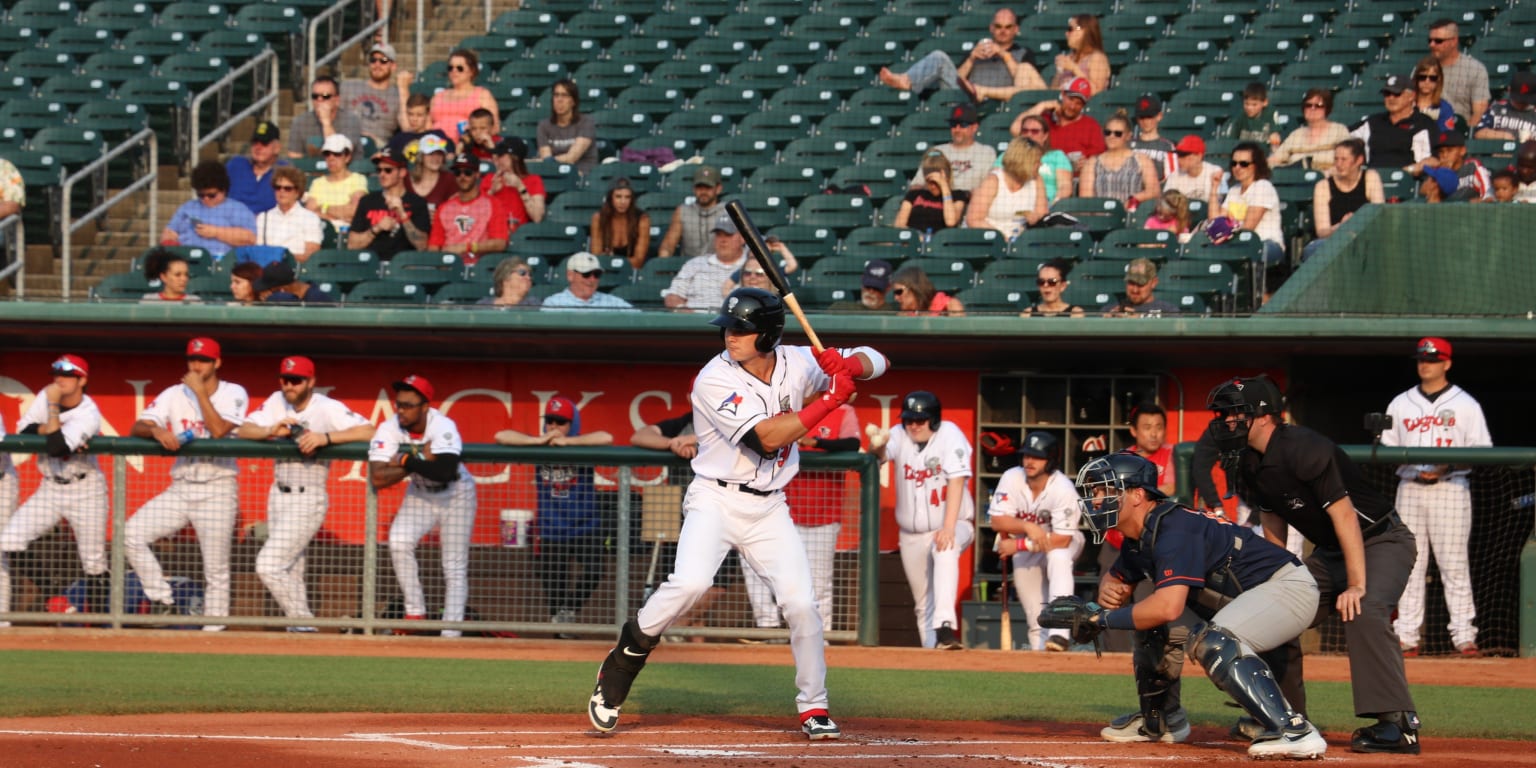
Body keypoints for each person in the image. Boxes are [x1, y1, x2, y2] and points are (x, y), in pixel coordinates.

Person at [586, 287, 889, 740]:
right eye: (728, 327)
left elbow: (879, 359)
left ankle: (814, 706)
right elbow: (766, 438)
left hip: (769, 506)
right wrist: (829, 400)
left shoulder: (799, 359)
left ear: (767, 335)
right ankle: (626, 655)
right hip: (715, 498)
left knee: (802, 605)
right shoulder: (713, 378)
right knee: (689, 583)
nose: (730, 336)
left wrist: (848, 366)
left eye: (742, 329)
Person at [1207, 374, 1422, 754]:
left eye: (1235, 413)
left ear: (1263, 416)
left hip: (1381, 539)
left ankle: (1397, 723)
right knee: (1277, 611)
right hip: (1330, 553)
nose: (1227, 421)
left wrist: (1356, 583)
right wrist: (1271, 584)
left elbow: (1346, 518)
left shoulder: (1304, 447)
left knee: (1365, 609)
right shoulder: (1247, 463)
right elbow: (1273, 526)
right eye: (1225, 414)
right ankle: (1283, 717)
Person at [1076, 452, 1327, 759]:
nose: (1096, 500)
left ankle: (1294, 731)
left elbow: (1168, 607)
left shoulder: (1174, 529)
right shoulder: (1141, 536)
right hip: (1247, 596)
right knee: (1152, 623)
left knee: (1215, 642)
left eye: (1106, 490)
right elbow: (1117, 578)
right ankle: (1162, 721)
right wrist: (1108, 587)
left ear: (1138, 495)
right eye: (1095, 492)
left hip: (1288, 587)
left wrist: (1101, 619)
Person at [235, 356, 371, 630]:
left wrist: (326, 438)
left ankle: (304, 621)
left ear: (311, 382)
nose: (289, 386)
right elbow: (242, 429)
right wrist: (270, 430)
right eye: (285, 379)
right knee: (292, 569)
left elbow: (370, 430)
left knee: (268, 565)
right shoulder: (276, 401)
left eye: (296, 380)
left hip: (308, 494)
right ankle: (300, 630)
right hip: (278, 493)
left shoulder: (326, 407)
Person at [125, 337, 248, 629]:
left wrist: (200, 392)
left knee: (215, 569)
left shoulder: (234, 392)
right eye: (192, 359)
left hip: (217, 486)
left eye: (204, 360)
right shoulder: (173, 393)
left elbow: (218, 431)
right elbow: (137, 426)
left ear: (217, 363)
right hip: (181, 487)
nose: (196, 365)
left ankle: (214, 629)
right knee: (131, 533)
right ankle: (162, 599)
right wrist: (156, 431)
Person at [1381, 337, 1491, 658]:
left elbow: (1482, 450)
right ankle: (1407, 636)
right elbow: (1385, 449)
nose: (1424, 364)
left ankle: (1464, 636)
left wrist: (1446, 466)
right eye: (1421, 359)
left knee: (1453, 566)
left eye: (1432, 358)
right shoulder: (1401, 403)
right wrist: (1415, 466)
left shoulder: (1466, 404)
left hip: (1452, 488)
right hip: (1411, 488)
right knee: (1410, 564)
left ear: (1447, 363)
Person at [0, 355, 108, 621]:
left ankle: (95, 625)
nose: (59, 379)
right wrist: (50, 427)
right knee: (9, 541)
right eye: (56, 374)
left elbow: (57, 447)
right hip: (50, 486)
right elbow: (23, 432)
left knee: (93, 562)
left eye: (67, 375)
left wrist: (50, 411)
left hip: (86, 488)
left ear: (82, 380)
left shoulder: (88, 412)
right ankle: (55, 597)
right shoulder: (46, 395)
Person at [369, 374, 477, 638]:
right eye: (399, 404)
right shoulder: (389, 427)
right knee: (398, 540)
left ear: (425, 406)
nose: (401, 410)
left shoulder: (443, 425)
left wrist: (405, 460)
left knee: (453, 565)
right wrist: (417, 457)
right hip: (419, 491)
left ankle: (451, 633)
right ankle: (415, 612)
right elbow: (378, 477)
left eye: (408, 405)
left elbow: (444, 470)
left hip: (456, 492)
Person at [495, 396, 614, 635]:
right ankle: (560, 634)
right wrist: (539, 440)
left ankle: (567, 612)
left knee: (594, 572)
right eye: (549, 421)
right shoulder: (540, 445)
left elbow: (606, 437)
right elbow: (501, 435)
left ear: (572, 425)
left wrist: (569, 442)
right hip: (551, 528)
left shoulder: (581, 444)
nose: (553, 427)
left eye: (560, 422)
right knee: (555, 584)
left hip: (585, 526)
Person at [743, 400, 859, 639]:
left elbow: (853, 444)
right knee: (764, 569)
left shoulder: (843, 411)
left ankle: (819, 636)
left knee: (818, 581)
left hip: (825, 512)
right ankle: (770, 630)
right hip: (786, 511)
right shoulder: (788, 409)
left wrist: (814, 442)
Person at [868, 391, 974, 650]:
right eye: (909, 419)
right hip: (911, 534)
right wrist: (878, 444)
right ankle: (933, 652)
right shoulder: (899, 433)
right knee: (923, 602)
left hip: (955, 522)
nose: (914, 425)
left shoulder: (950, 434)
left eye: (921, 420)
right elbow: (879, 456)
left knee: (944, 548)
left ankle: (945, 627)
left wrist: (948, 528)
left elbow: (957, 480)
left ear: (934, 420)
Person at [989, 432, 1083, 652]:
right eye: (1027, 455)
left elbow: (1062, 539)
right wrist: (1027, 527)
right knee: (1035, 617)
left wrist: (1019, 545)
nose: (1029, 461)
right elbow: (996, 521)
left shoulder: (1063, 488)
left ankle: (1060, 633)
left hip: (1063, 541)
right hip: (1027, 544)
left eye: (1037, 457)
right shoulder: (1012, 477)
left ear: (1050, 460)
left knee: (1058, 558)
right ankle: (1042, 664)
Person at [878, 8, 1034, 102]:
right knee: (939, 56)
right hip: (966, 99)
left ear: (1016, 29)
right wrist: (972, 59)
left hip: (998, 99)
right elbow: (957, 80)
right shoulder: (977, 51)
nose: (1003, 31)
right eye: (998, 26)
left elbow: (1024, 85)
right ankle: (907, 81)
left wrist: (1004, 54)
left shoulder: (1024, 53)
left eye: (1008, 27)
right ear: (991, 28)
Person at [1301, 138, 1385, 262]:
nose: (1339, 164)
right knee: (1313, 249)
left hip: (1366, 237)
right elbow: (1322, 231)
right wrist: (1342, 226)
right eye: (1336, 159)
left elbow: (1379, 217)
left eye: (1344, 159)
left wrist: (1356, 223)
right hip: (1334, 240)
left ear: (1359, 160)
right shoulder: (1323, 186)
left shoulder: (1371, 177)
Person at [348, 145, 432, 261]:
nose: (382, 174)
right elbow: (352, 245)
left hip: (404, 267)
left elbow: (422, 245)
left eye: (388, 170)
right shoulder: (367, 201)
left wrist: (402, 215)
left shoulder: (417, 203)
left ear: (402, 172)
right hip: (371, 265)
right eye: (379, 170)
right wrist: (376, 228)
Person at [160, 161, 257, 258]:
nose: (205, 199)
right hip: (186, 259)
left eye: (211, 195)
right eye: (201, 195)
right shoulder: (187, 207)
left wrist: (216, 232)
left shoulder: (238, 209)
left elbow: (249, 239)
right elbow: (168, 233)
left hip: (220, 262)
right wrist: (172, 241)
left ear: (223, 190)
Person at [428, 152, 509, 263]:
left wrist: (467, 247)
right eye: (458, 173)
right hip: (448, 266)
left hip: (479, 267)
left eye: (468, 172)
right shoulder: (444, 208)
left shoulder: (493, 204)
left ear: (477, 174)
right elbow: (434, 246)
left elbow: (500, 243)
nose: (462, 177)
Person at [1217, 141, 1286, 266]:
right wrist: (1213, 187)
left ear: (1256, 166)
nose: (1237, 167)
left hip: (1266, 243)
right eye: (1234, 163)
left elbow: (1248, 228)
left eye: (1244, 164)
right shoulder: (1233, 190)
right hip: (1238, 242)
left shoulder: (1263, 187)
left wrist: (1227, 229)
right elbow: (1217, 223)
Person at [1350, 73, 1437, 171]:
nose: (1391, 98)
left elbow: (1433, 160)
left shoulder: (1423, 123)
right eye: (1387, 94)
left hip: (1406, 180)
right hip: (1372, 180)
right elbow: (1343, 135)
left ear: (1411, 96)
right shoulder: (1373, 122)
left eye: (1397, 94)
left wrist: (1411, 169)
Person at [966, 137, 1048, 239]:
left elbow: (1042, 213)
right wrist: (1001, 237)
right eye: (1037, 161)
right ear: (1024, 162)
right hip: (989, 239)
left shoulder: (1037, 180)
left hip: (1020, 240)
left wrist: (1032, 216)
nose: (1041, 164)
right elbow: (973, 220)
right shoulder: (993, 181)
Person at [1015, 78, 1105, 171]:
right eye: (1071, 99)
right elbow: (1015, 129)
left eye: (1078, 103)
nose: (1072, 106)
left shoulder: (1090, 125)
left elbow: (1100, 158)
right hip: (1043, 174)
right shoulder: (1045, 118)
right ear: (1063, 94)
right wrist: (1042, 106)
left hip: (1074, 178)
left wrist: (1088, 163)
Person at [663, 214, 747, 311]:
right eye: (719, 235)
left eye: (728, 235)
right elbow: (672, 297)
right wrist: (685, 312)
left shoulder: (752, 266)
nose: (723, 240)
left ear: (742, 238)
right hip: (694, 321)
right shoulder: (695, 264)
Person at [1079, 111, 1160, 209]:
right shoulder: (1092, 163)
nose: (1111, 137)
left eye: (1118, 133)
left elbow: (1154, 191)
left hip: (1131, 215)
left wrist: (1134, 199)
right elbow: (1086, 200)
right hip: (1101, 216)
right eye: (1107, 132)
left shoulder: (1142, 160)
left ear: (1128, 136)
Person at [340, 41, 411, 149]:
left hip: (379, 147)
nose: (377, 65)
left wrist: (403, 89)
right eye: (373, 60)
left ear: (393, 66)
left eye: (383, 61)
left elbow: (407, 129)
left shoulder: (397, 95)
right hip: (347, 141)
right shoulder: (349, 86)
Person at [909, 103, 995, 193]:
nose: (957, 129)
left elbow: (988, 188)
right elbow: (916, 185)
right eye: (953, 124)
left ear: (975, 127)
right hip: (939, 203)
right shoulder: (936, 151)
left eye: (963, 125)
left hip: (970, 203)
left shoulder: (986, 152)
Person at [1428, 18, 1490, 131]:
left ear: (1454, 41)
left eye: (1438, 41)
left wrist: (1465, 136)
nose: (1432, 44)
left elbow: (1479, 113)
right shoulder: (1424, 69)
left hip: (1457, 132)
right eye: (1430, 40)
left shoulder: (1475, 69)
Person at [255, 166, 324, 263]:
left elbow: (311, 255)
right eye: (278, 187)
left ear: (297, 192)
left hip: (297, 270)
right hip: (267, 270)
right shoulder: (263, 217)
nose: (281, 191)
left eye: (287, 188)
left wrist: (281, 258)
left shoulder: (310, 218)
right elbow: (258, 252)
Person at [657, 165, 727, 260]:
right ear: (694, 189)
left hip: (719, 267)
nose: (703, 192)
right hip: (689, 268)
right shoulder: (683, 211)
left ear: (718, 189)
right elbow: (668, 245)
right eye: (699, 187)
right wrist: (663, 261)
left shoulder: (727, 212)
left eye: (708, 187)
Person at [1270, 89, 1351, 171]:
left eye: (1318, 105)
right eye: (1308, 105)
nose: (1312, 108)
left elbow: (1347, 160)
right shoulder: (1297, 134)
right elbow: (1276, 158)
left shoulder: (1339, 130)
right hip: (1297, 177)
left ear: (1327, 108)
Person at [430, 48, 498, 143]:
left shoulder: (482, 94)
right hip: (436, 148)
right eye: (450, 68)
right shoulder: (438, 97)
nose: (454, 71)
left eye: (459, 68)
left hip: (467, 147)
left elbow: (494, 127)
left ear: (471, 71)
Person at [289, 75, 365, 159]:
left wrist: (326, 123)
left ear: (337, 100)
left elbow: (339, 156)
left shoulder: (351, 120)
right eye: (315, 96)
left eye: (326, 96)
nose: (319, 100)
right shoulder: (300, 122)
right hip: (312, 172)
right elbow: (294, 157)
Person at [480, 136, 545, 235]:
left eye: (501, 155)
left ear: (515, 158)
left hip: (519, 235)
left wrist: (520, 187)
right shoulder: (490, 179)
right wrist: (491, 192)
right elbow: (476, 214)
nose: (496, 158)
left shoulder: (533, 180)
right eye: (496, 154)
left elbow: (537, 217)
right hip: (492, 234)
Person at [305, 134, 368, 235]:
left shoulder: (358, 179)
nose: (331, 158)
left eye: (337, 154)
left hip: (347, 234)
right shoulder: (318, 183)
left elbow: (355, 210)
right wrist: (336, 218)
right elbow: (309, 214)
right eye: (327, 154)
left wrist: (322, 208)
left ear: (347, 157)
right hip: (321, 233)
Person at [895, 149, 967, 234]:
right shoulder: (914, 195)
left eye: (936, 183)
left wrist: (944, 186)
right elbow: (899, 225)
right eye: (929, 181)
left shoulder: (958, 196)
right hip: (914, 241)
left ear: (946, 177)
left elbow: (950, 222)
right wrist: (918, 237)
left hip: (939, 243)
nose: (933, 186)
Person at [536, 77, 597, 174]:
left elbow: (572, 157)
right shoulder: (543, 126)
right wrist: (548, 161)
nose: (559, 100)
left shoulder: (586, 123)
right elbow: (546, 159)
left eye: (564, 95)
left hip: (581, 174)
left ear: (573, 101)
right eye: (556, 95)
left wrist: (550, 160)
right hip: (554, 174)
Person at [226, 120, 287, 215]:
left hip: (269, 225)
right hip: (231, 223)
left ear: (277, 148)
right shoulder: (235, 165)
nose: (258, 148)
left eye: (264, 144)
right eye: (255, 143)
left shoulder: (285, 171)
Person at [541, 251, 637, 311]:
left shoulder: (612, 302)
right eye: (586, 274)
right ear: (570, 275)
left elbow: (641, 320)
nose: (592, 279)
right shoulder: (554, 304)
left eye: (596, 274)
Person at [590, 177, 651, 269]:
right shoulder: (598, 218)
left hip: (631, 272)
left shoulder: (642, 219)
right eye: (618, 196)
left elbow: (639, 261)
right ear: (610, 198)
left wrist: (610, 260)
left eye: (627, 197)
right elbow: (596, 258)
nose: (623, 202)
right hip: (605, 271)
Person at [1015, 115, 1075, 204]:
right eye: (1025, 131)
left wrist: (1054, 204)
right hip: (1016, 203)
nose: (1029, 135)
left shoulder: (1057, 156)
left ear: (1045, 136)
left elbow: (1065, 186)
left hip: (1049, 205)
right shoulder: (1010, 156)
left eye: (1035, 131)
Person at [1421, 129, 1490, 202]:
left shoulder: (1472, 166)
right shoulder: (1437, 170)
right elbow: (1423, 192)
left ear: (1462, 151)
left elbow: (1489, 194)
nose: (1445, 155)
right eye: (1441, 152)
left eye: (1449, 150)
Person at [1101, 258, 1179, 317]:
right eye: (1131, 283)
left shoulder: (1168, 311)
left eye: (1140, 284)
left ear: (1154, 283)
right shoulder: (1110, 310)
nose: (1135, 290)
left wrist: (1139, 322)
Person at [1164, 135, 1224, 212]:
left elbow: (1219, 205)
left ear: (1199, 156)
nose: (1179, 159)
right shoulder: (1175, 175)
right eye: (1178, 155)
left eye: (1183, 155)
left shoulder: (1214, 172)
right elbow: (1166, 204)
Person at [1473, 70, 1536, 142]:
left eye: (1526, 99)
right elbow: (1479, 133)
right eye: (1519, 99)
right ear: (1509, 90)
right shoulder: (1496, 108)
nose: (1522, 103)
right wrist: (1504, 136)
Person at [1217, 82, 1282, 149]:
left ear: (1265, 102)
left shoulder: (1270, 113)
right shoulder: (1241, 116)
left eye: (1254, 105)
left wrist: (1274, 135)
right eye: (1246, 104)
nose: (1249, 108)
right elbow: (1231, 139)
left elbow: (1275, 134)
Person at [1130, 94, 1176, 181]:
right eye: (1142, 117)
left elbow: (1172, 178)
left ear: (1159, 116)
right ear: (1137, 119)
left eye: (1150, 117)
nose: (1146, 121)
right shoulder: (1128, 145)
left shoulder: (1167, 146)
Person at [407, 130, 457, 208]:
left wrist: (438, 214)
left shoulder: (449, 179)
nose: (436, 158)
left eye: (439, 154)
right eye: (431, 154)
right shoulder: (406, 179)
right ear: (421, 156)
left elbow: (454, 210)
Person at [890, 265, 965, 316]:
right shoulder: (903, 315)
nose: (896, 298)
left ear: (914, 288)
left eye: (899, 292)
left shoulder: (950, 306)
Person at [1411, 55, 1460, 134]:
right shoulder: (1405, 104)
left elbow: (1445, 136)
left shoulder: (1445, 108)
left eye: (1432, 78)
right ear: (1416, 78)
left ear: (1438, 80)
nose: (1427, 81)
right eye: (1422, 77)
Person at [1020, 258, 1084, 317]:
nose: (1045, 285)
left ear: (1063, 286)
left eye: (1052, 282)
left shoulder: (1075, 314)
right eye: (1041, 282)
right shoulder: (1027, 314)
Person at [826, 259, 895, 313]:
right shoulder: (839, 309)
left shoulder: (893, 314)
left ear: (888, 288)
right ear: (862, 282)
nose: (871, 291)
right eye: (868, 286)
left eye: (877, 288)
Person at [254, 261, 336, 304]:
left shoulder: (317, 299)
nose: (265, 293)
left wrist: (271, 299)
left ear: (283, 289)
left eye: (269, 290)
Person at [476, 256, 542, 309]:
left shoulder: (533, 305)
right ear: (505, 277)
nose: (528, 278)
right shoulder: (484, 305)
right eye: (522, 273)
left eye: (530, 275)